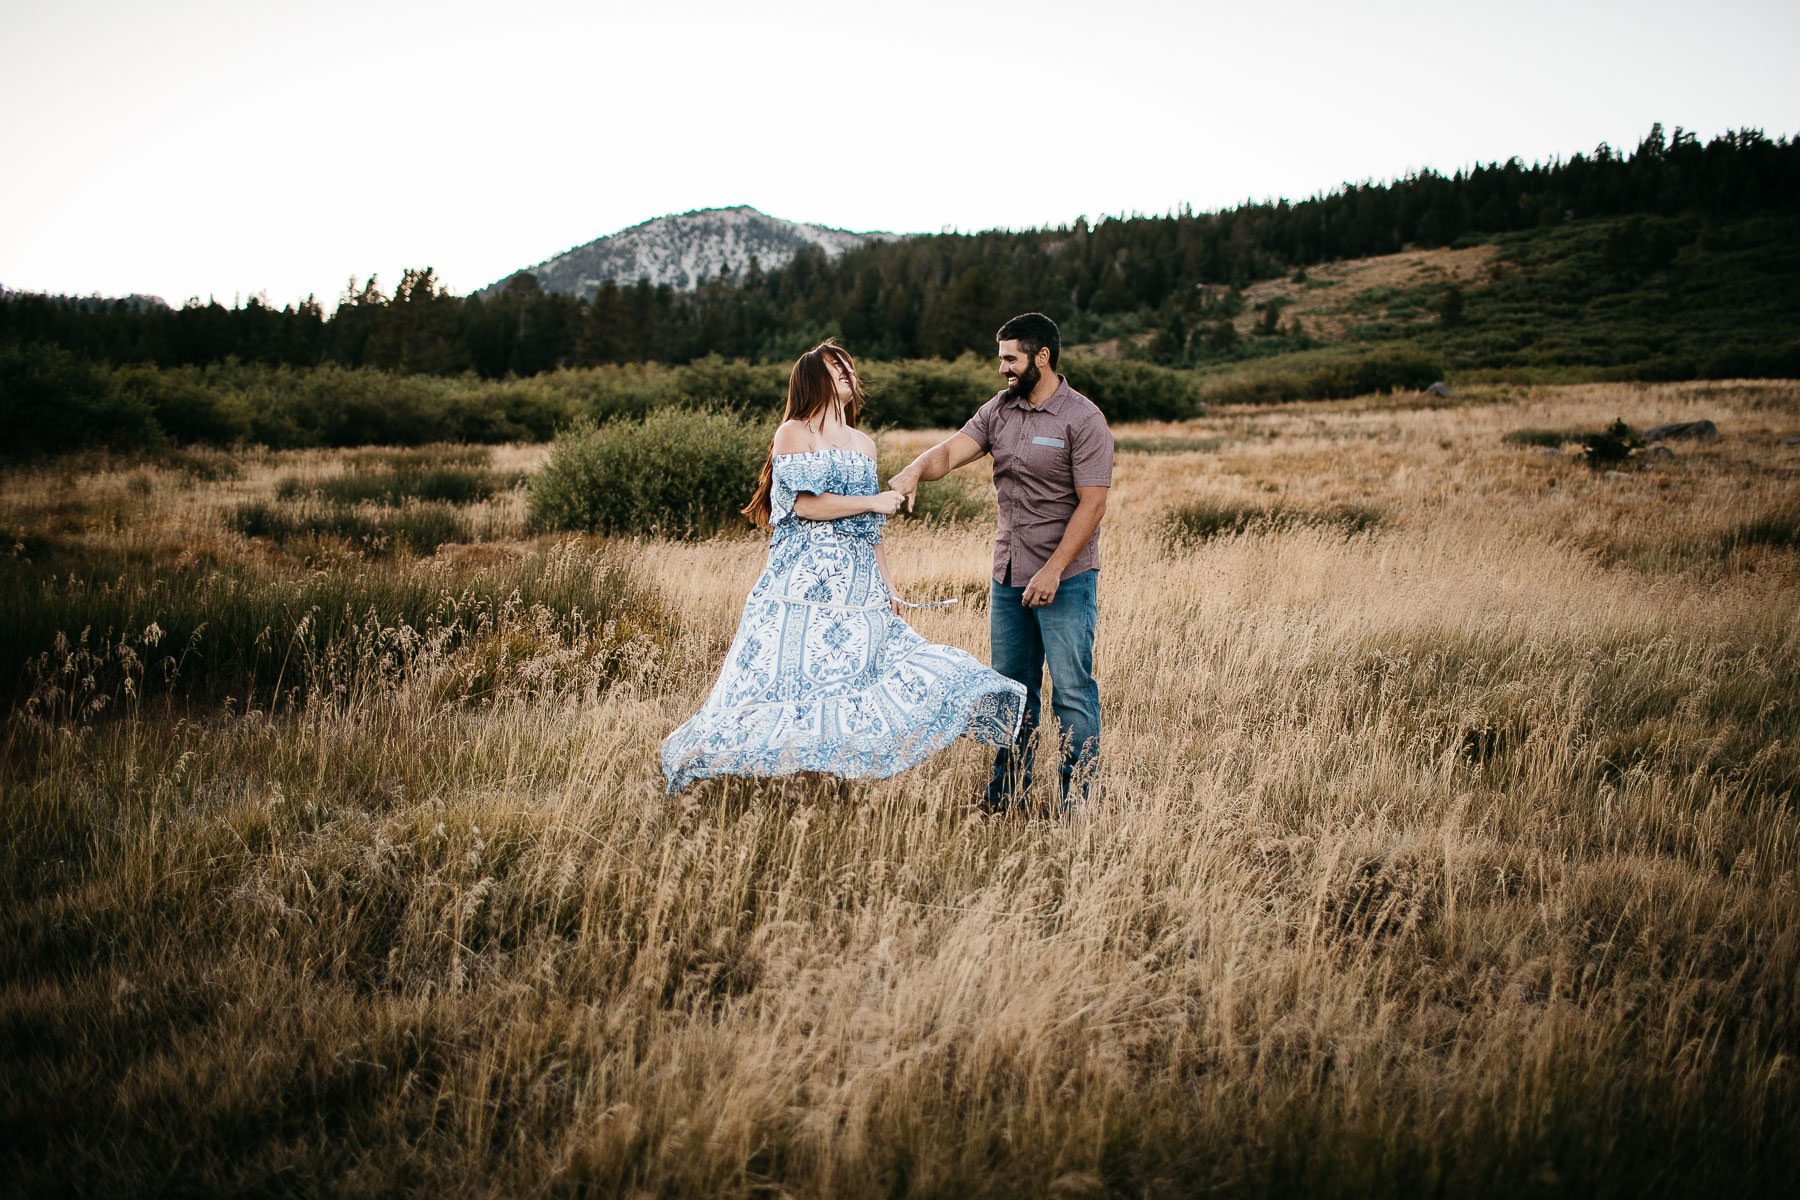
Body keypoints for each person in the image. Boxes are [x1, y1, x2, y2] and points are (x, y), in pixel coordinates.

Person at [660, 339, 1026, 794]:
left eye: (848, 365)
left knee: (855, 679)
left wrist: (888, 587)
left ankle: (826, 785)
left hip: (857, 585)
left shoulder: (864, 443)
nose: (846, 372)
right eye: (835, 366)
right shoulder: (794, 432)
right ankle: (772, 780)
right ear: (813, 377)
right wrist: (874, 500)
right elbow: (804, 505)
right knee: (793, 683)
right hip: (802, 583)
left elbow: (872, 531)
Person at [889, 313, 1112, 813]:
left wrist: (1054, 569)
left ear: (1042, 357)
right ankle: (1006, 797)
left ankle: (1079, 801)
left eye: (1010, 359)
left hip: (1066, 577)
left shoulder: (1083, 418)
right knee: (1010, 692)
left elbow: (1093, 504)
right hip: (1008, 575)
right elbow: (950, 453)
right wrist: (913, 473)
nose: (1002, 369)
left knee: (1072, 692)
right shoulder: (1000, 410)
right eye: (1000, 359)